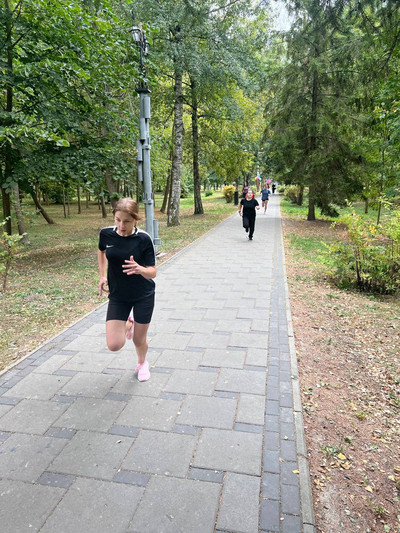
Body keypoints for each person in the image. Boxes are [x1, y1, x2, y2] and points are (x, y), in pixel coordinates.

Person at [97, 197, 156, 382]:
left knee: (139, 340)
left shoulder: (144, 239)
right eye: (118, 220)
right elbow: (101, 250)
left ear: (135, 220)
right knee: (114, 345)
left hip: (143, 295)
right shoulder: (106, 234)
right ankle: (129, 323)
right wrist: (102, 275)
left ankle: (142, 363)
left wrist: (140, 269)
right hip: (118, 295)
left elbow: (153, 272)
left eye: (127, 221)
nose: (122, 225)